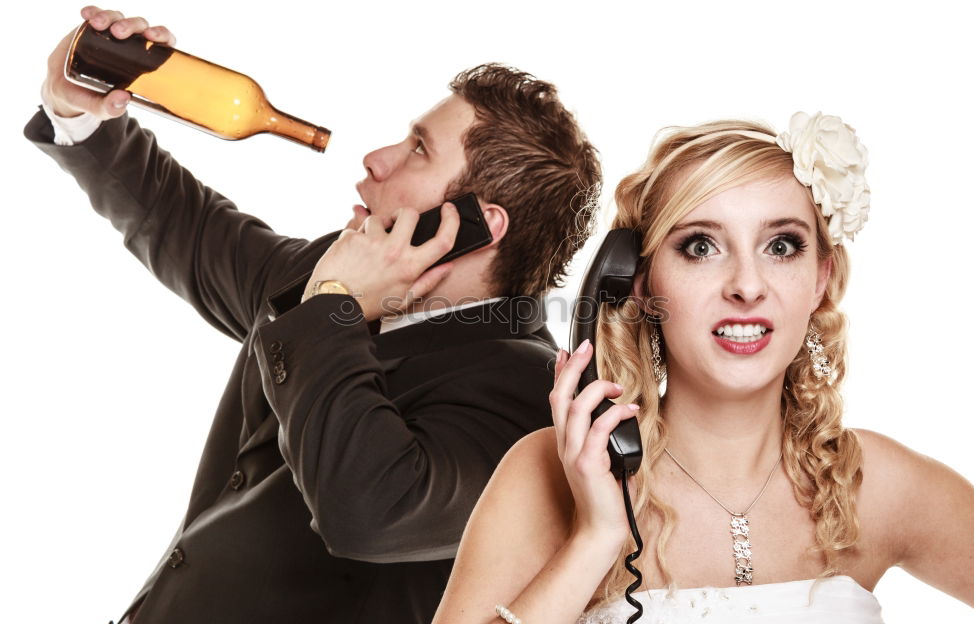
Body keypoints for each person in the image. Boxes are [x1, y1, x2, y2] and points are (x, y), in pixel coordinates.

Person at [26, 6, 601, 624]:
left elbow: (370, 512)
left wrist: (332, 308)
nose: (376, 160)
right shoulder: (328, 272)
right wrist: (79, 109)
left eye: (417, 151)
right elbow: (179, 223)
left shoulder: (530, 399)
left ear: (476, 226)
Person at [432, 115, 974, 623]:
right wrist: (597, 536)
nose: (747, 287)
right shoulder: (542, 476)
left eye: (781, 246)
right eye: (701, 247)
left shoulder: (881, 486)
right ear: (637, 283)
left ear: (820, 278)